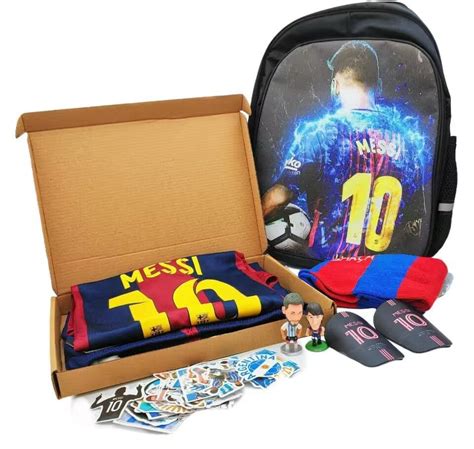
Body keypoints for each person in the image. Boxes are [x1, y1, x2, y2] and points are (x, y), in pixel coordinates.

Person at [262, 41, 429, 260]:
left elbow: (277, 198)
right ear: (378, 86)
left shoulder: (321, 135)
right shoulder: (409, 143)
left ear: (335, 85)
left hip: (327, 269)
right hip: (380, 269)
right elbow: (416, 223)